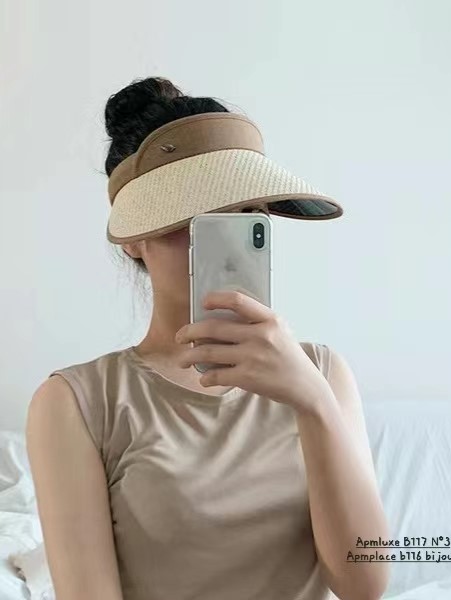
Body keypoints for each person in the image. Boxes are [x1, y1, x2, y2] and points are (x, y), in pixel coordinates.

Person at [25, 76, 390, 600]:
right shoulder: (78, 403)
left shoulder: (323, 374)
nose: (227, 242)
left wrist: (313, 402)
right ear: (133, 241)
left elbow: (366, 583)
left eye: (247, 216)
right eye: (198, 218)